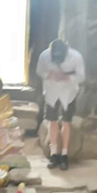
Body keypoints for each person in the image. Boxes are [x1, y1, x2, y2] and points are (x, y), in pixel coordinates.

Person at [36, 39, 85, 170]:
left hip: (68, 93)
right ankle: (54, 154)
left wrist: (67, 77)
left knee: (66, 122)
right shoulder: (45, 56)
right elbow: (40, 71)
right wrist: (50, 74)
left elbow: (81, 76)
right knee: (52, 122)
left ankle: (64, 154)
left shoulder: (76, 56)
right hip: (51, 92)